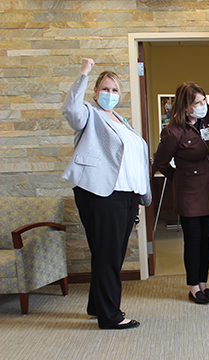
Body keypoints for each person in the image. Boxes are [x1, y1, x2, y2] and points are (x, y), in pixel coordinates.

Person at [62, 58, 152, 330]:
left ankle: (96, 306)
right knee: (109, 254)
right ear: (95, 91)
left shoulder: (121, 120)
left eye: (114, 90)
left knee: (108, 253)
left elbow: (133, 159)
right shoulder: (89, 113)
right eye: (105, 88)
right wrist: (84, 74)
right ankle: (110, 316)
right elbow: (71, 111)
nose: (110, 94)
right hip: (101, 194)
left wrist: (138, 197)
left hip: (125, 196)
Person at [154, 82, 209, 305]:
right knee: (193, 240)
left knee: (206, 239)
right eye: (197, 103)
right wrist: (178, 179)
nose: (203, 106)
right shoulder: (173, 132)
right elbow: (160, 162)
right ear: (185, 106)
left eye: (204, 101)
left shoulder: (207, 117)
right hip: (189, 192)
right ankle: (193, 287)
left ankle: (203, 285)